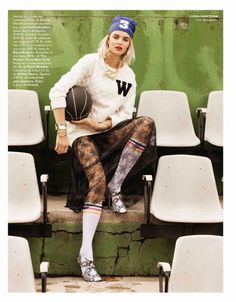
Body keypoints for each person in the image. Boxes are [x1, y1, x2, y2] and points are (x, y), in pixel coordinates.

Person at [49, 15, 157, 282]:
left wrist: (105, 123)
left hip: (106, 134)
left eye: (125, 39)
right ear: (108, 38)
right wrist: (63, 130)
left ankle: (116, 185)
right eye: (116, 36)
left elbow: (126, 111)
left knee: (145, 123)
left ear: (129, 45)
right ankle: (86, 256)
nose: (119, 42)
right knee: (96, 181)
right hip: (81, 136)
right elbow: (57, 91)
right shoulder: (90, 62)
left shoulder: (129, 76)